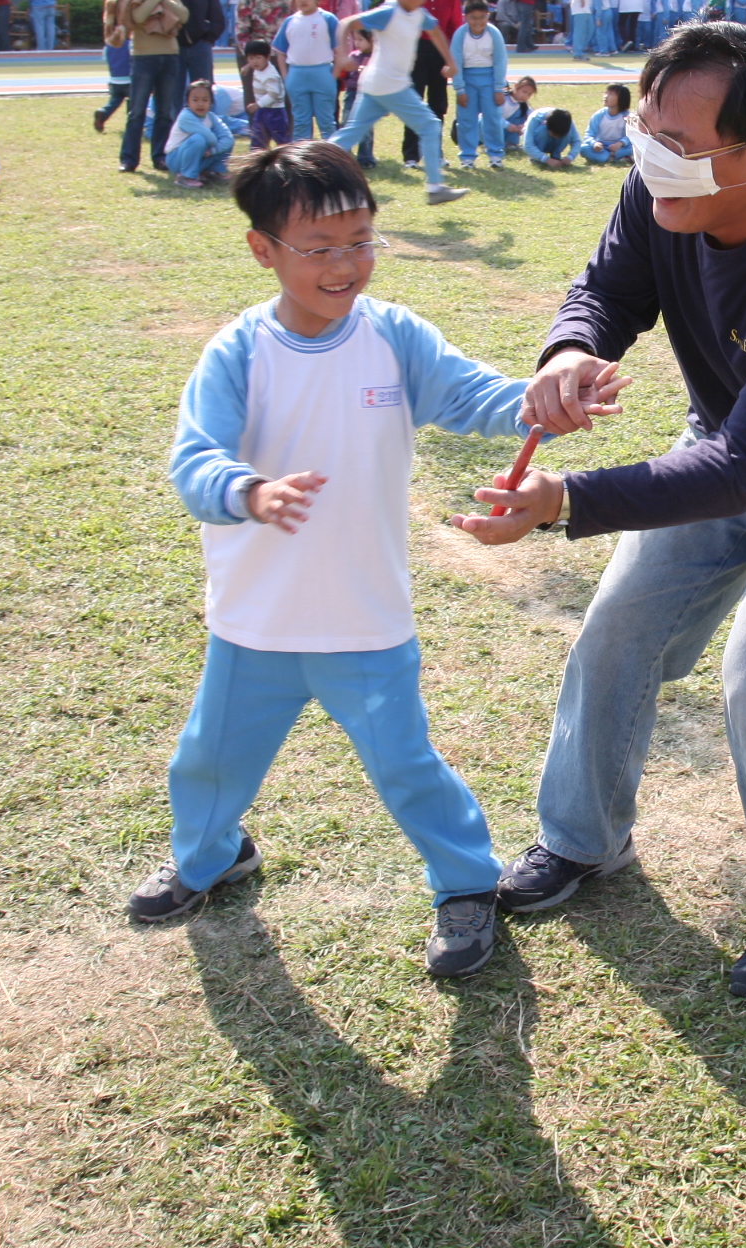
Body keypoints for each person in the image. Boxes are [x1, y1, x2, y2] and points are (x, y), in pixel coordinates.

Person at [455, 20, 746, 1004]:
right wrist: (569, 350)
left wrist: (565, 501)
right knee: (616, 632)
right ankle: (581, 839)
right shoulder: (662, 187)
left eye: (676, 142)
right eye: (644, 130)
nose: (648, 156)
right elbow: (607, 288)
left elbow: (745, 469)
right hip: (720, 438)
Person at [134, 142, 609, 977]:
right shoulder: (239, 352)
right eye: (319, 248)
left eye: (361, 241)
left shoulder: (392, 338)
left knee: (405, 765)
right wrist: (250, 492)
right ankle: (209, 857)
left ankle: (465, 883)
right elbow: (194, 459)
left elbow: (474, 395)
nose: (345, 265)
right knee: (209, 758)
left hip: (364, 619)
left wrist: (545, 402)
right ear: (263, 250)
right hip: (256, 619)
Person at [331, 0, 469, 205]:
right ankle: (435, 188)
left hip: (374, 84)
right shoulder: (387, 12)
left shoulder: (417, 13)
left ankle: (306, 166)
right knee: (430, 126)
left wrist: (450, 61)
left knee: (349, 135)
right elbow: (345, 24)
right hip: (390, 84)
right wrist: (342, 56)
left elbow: (436, 31)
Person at [115, 0, 190, 174]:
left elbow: (184, 15)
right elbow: (138, 17)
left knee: (164, 111)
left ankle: (160, 156)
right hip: (143, 57)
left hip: (170, 56)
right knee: (137, 110)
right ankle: (129, 159)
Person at [406, 0, 464, 169]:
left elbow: (455, 24)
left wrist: (452, 57)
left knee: (438, 104)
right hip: (415, 50)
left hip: (441, 51)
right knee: (413, 101)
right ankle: (411, 155)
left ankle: (435, 153)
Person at [271, 0, 341, 144]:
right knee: (301, 122)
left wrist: (333, 76)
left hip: (322, 73)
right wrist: (286, 76)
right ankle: (302, 157)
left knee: (326, 121)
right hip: (297, 75)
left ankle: (333, 156)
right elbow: (280, 51)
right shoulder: (290, 21)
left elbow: (340, 50)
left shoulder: (328, 19)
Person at [450, 0, 512, 168]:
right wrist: (460, 89)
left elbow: (500, 61)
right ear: (465, 17)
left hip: (490, 80)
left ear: (488, 16)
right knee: (466, 120)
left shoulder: (494, 33)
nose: (478, 22)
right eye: (473, 18)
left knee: (493, 118)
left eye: (482, 17)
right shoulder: (460, 34)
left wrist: (498, 88)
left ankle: (495, 155)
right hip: (467, 80)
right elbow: (455, 61)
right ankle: (467, 157)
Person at [165, 80, 237, 187]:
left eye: (205, 100)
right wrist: (213, 147)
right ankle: (185, 176)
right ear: (188, 102)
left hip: (200, 157)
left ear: (211, 102)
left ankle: (212, 172)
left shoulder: (211, 117)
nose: (200, 104)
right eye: (195, 100)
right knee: (199, 139)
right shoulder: (185, 116)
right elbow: (210, 138)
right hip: (176, 160)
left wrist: (213, 151)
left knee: (224, 142)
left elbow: (228, 138)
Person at [244, 39, 290, 147]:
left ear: (268, 57)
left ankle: (289, 156)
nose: (254, 62)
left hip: (275, 112)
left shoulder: (270, 76)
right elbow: (254, 63)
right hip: (263, 110)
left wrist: (257, 105)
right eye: (251, 58)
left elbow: (273, 95)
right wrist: (248, 66)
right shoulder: (260, 68)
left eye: (258, 58)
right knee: (258, 139)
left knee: (282, 140)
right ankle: (256, 156)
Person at [579, 83, 634, 163]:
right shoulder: (599, 115)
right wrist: (594, 144)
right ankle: (612, 158)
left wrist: (620, 143)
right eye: (606, 93)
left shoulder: (628, 116)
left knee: (637, 147)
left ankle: (610, 157)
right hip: (602, 147)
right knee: (583, 148)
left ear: (621, 98)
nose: (606, 96)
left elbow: (632, 135)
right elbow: (589, 134)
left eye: (610, 94)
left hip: (620, 147)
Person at [93, 25, 132, 135]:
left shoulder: (108, 47)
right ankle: (131, 123)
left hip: (114, 80)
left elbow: (106, 60)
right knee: (134, 103)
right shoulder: (129, 44)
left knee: (115, 101)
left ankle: (103, 112)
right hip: (130, 80)